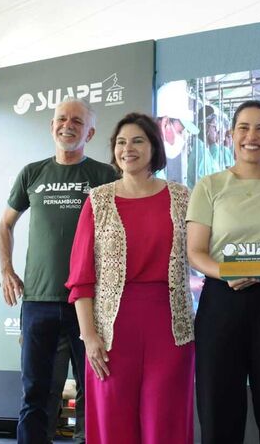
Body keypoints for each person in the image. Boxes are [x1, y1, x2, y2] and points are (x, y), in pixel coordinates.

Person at [67, 112, 195, 443]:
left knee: (163, 423)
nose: (128, 148)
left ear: (154, 147)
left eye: (138, 140)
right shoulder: (98, 200)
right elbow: (81, 279)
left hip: (170, 329)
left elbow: (202, 252)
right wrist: (89, 337)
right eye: (121, 142)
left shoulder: (182, 197)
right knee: (113, 424)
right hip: (111, 333)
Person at [0, 99, 119, 444]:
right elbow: (5, 225)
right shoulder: (32, 173)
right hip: (38, 300)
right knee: (35, 394)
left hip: (90, 304)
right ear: (52, 126)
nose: (68, 125)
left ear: (90, 132)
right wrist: (7, 269)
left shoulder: (104, 176)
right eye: (61, 119)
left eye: (77, 122)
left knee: (93, 393)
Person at [187, 100, 260, 444]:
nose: (252, 136)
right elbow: (195, 252)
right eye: (244, 128)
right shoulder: (210, 185)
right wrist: (224, 272)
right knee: (218, 410)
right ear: (231, 134)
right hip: (222, 301)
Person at [188, 104, 234, 188]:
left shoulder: (205, 151)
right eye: (214, 127)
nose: (216, 131)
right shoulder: (201, 153)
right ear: (205, 127)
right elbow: (203, 187)